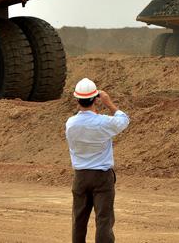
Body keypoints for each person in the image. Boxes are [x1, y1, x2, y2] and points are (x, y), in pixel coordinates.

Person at [65, 78, 130, 243]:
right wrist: (109, 103)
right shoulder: (103, 122)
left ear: (77, 100)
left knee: (79, 221)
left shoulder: (71, 124)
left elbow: (81, 118)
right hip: (101, 177)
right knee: (103, 221)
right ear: (96, 99)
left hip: (80, 177)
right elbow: (124, 120)